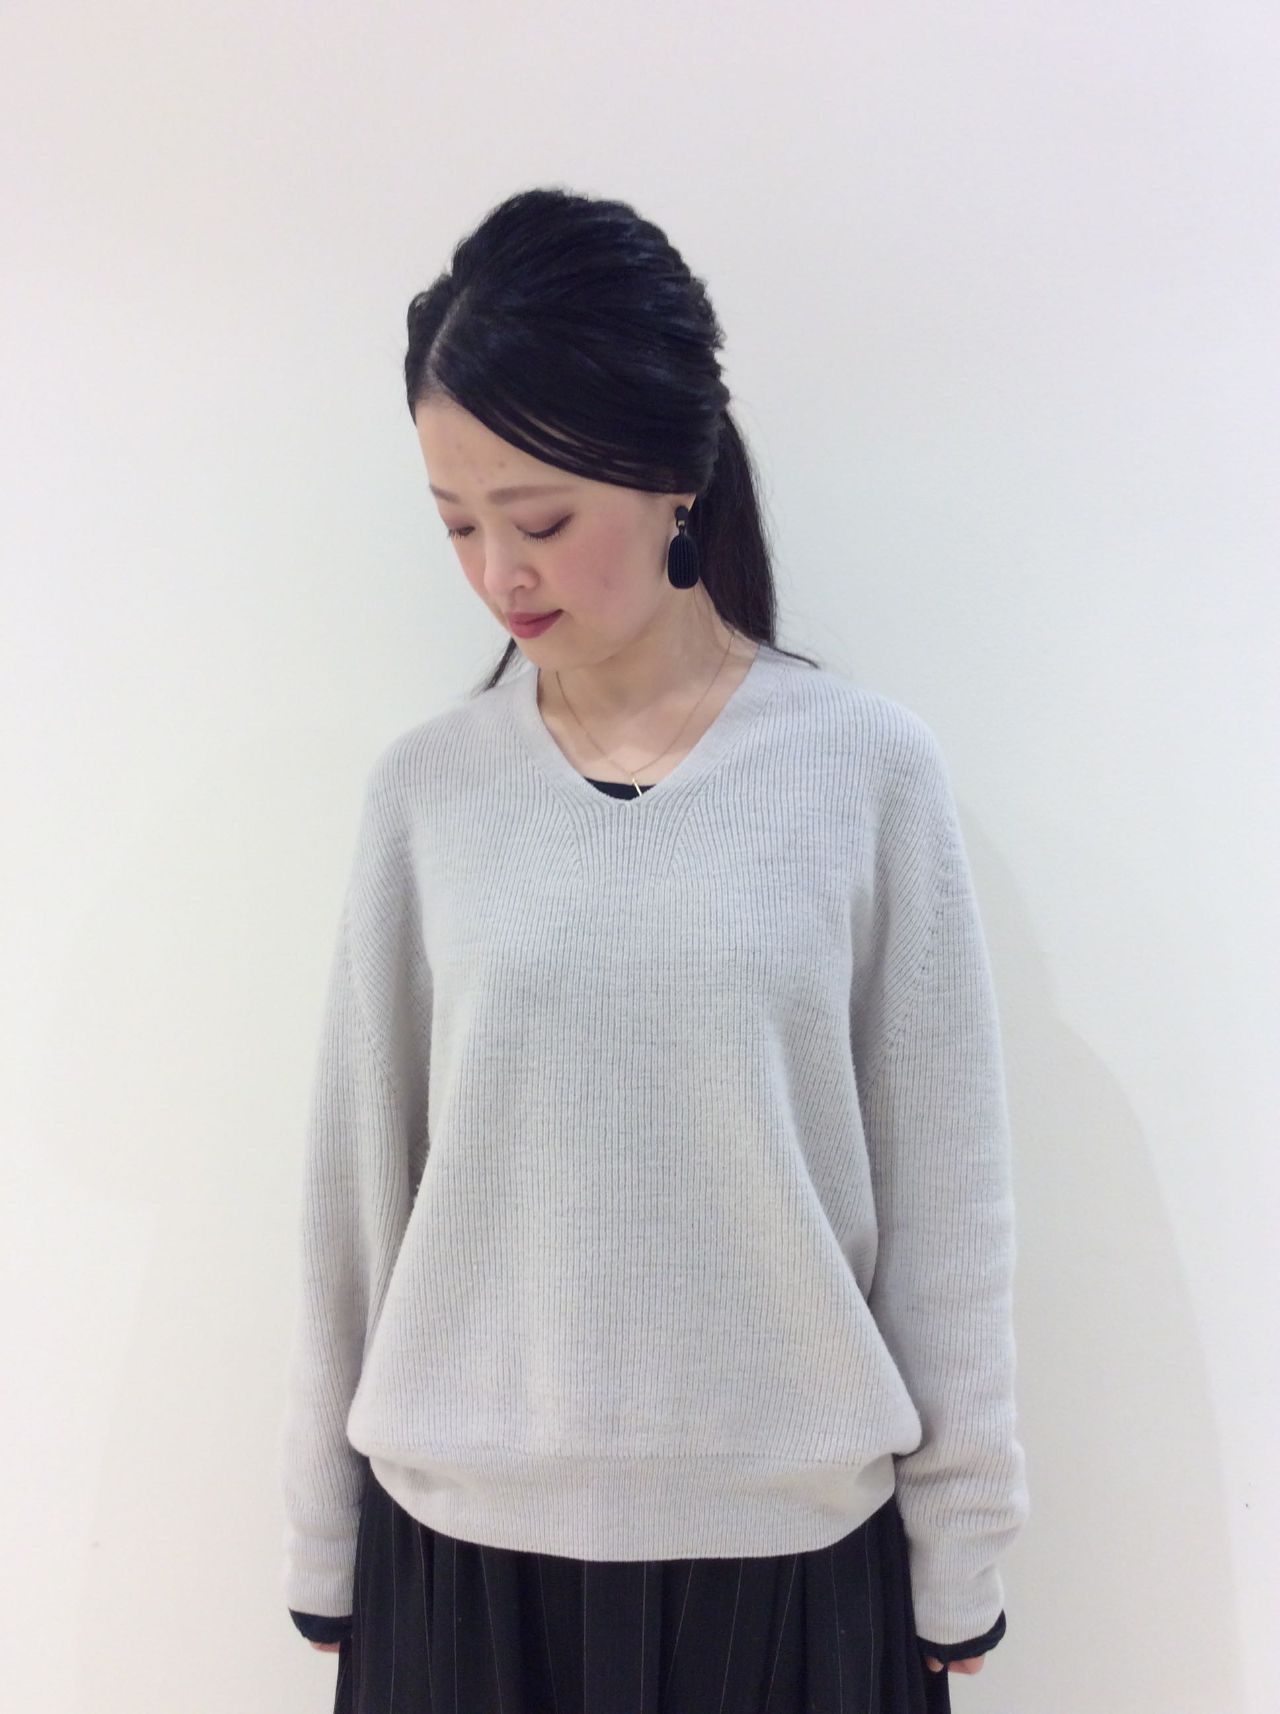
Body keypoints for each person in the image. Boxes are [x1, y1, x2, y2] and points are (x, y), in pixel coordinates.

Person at [278, 185, 1029, 1714]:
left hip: (793, 1571)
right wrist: (320, 1538)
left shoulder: (866, 773)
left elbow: (948, 1206)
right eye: (457, 523)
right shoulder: (428, 795)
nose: (501, 573)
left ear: (676, 478)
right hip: (462, 1571)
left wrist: (964, 1542)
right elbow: (355, 1197)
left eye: (542, 519)